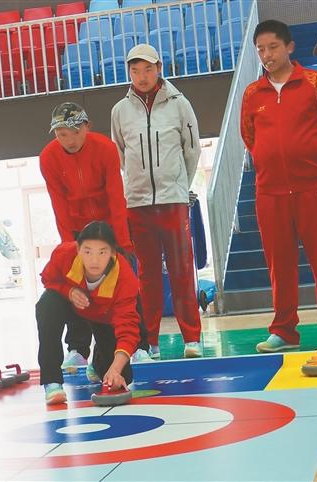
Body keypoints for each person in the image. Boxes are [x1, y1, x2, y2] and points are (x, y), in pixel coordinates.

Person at [240, 20, 317, 353]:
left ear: (289, 47)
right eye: (261, 50)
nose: (267, 55)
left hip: (313, 187)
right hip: (270, 192)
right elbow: (249, 137)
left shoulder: (314, 82)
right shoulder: (252, 93)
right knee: (280, 266)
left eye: (273, 47)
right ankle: (284, 330)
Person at [40, 102, 153, 368]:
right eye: (62, 134)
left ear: (87, 127)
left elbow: (115, 195)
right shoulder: (48, 158)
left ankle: (139, 346)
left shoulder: (105, 148)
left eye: (75, 132)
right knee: (77, 286)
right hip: (76, 230)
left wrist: (121, 242)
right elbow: (58, 203)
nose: (69, 140)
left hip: (109, 226)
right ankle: (78, 348)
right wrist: (69, 245)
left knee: (126, 284)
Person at [110, 44, 204, 359]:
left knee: (181, 271)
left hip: (173, 202)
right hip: (137, 206)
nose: (142, 76)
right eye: (135, 71)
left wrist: (179, 186)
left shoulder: (180, 104)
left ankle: (192, 338)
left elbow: (191, 150)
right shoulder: (119, 111)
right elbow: (120, 154)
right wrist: (135, 186)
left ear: (159, 68)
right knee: (146, 277)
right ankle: (149, 342)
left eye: (148, 69)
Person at [36, 221, 140, 404]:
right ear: (78, 249)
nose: (94, 260)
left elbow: (128, 328)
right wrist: (68, 291)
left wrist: (115, 369)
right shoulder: (64, 254)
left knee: (121, 377)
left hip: (104, 318)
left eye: (102, 252)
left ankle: (98, 363)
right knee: (47, 304)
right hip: (72, 307)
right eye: (87, 251)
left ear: (112, 252)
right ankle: (52, 382)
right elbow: (48, 279)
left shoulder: (124, 277)